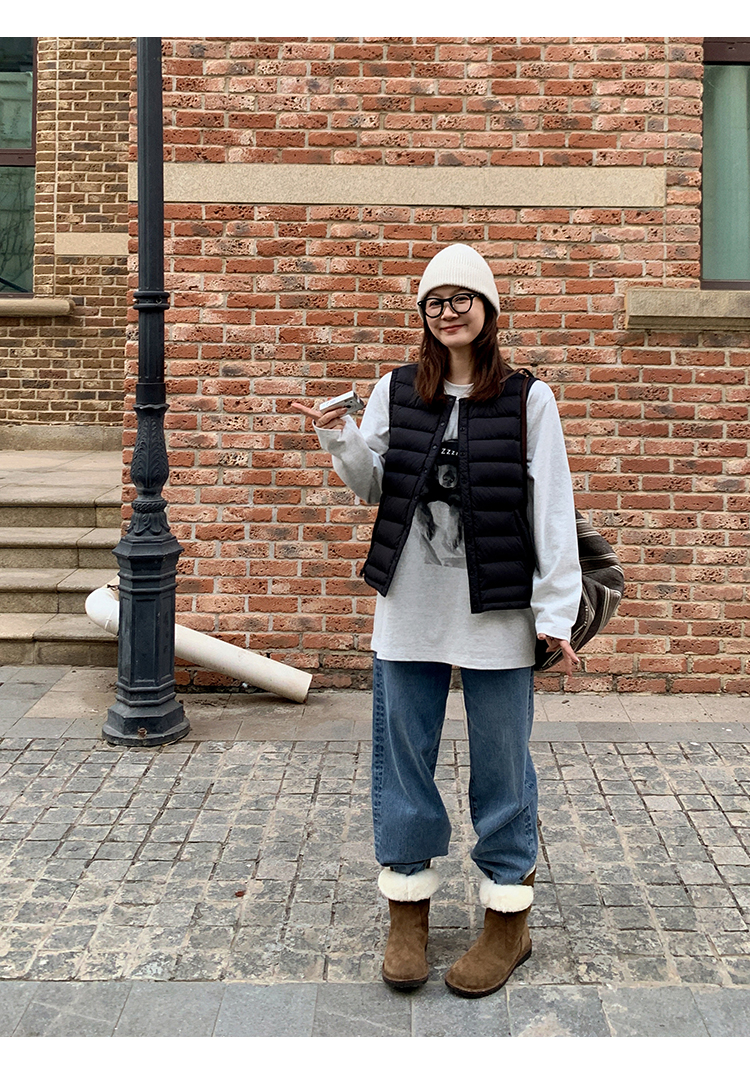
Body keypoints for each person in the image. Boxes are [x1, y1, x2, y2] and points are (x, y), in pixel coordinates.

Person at [292, 243, 581, 999]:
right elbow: (373, 487)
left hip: (498, 612)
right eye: (434, 302)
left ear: (487, 309)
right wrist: (338, 435)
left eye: (461, 298)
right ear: (423, 315)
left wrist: (557, 614)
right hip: (409, 608)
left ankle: (508, 921)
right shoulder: (396, 389)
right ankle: (407, 914)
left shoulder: (528, 399)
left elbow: (553, 508)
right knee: (403, 763)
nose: (448, 312)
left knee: (503, 768)